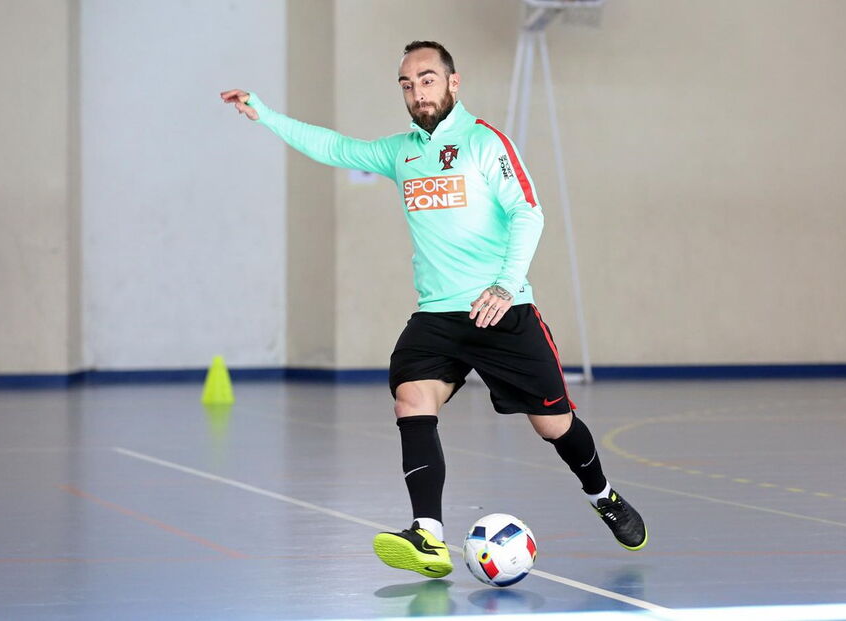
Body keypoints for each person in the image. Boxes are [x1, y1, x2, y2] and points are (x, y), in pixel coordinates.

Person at [221, 40, 647, 579]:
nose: (416, 91)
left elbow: (528, 213)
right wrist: (267, 114)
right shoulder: (401, 152)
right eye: (406, 83)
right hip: (437, 315)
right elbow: (334, 146)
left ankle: (602, 494)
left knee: (554, 424)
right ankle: (428, 534)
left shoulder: (484, 142)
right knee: (411, 399)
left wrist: (504, 285)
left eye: (426, 79)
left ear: (452, 82)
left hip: (503, 310)